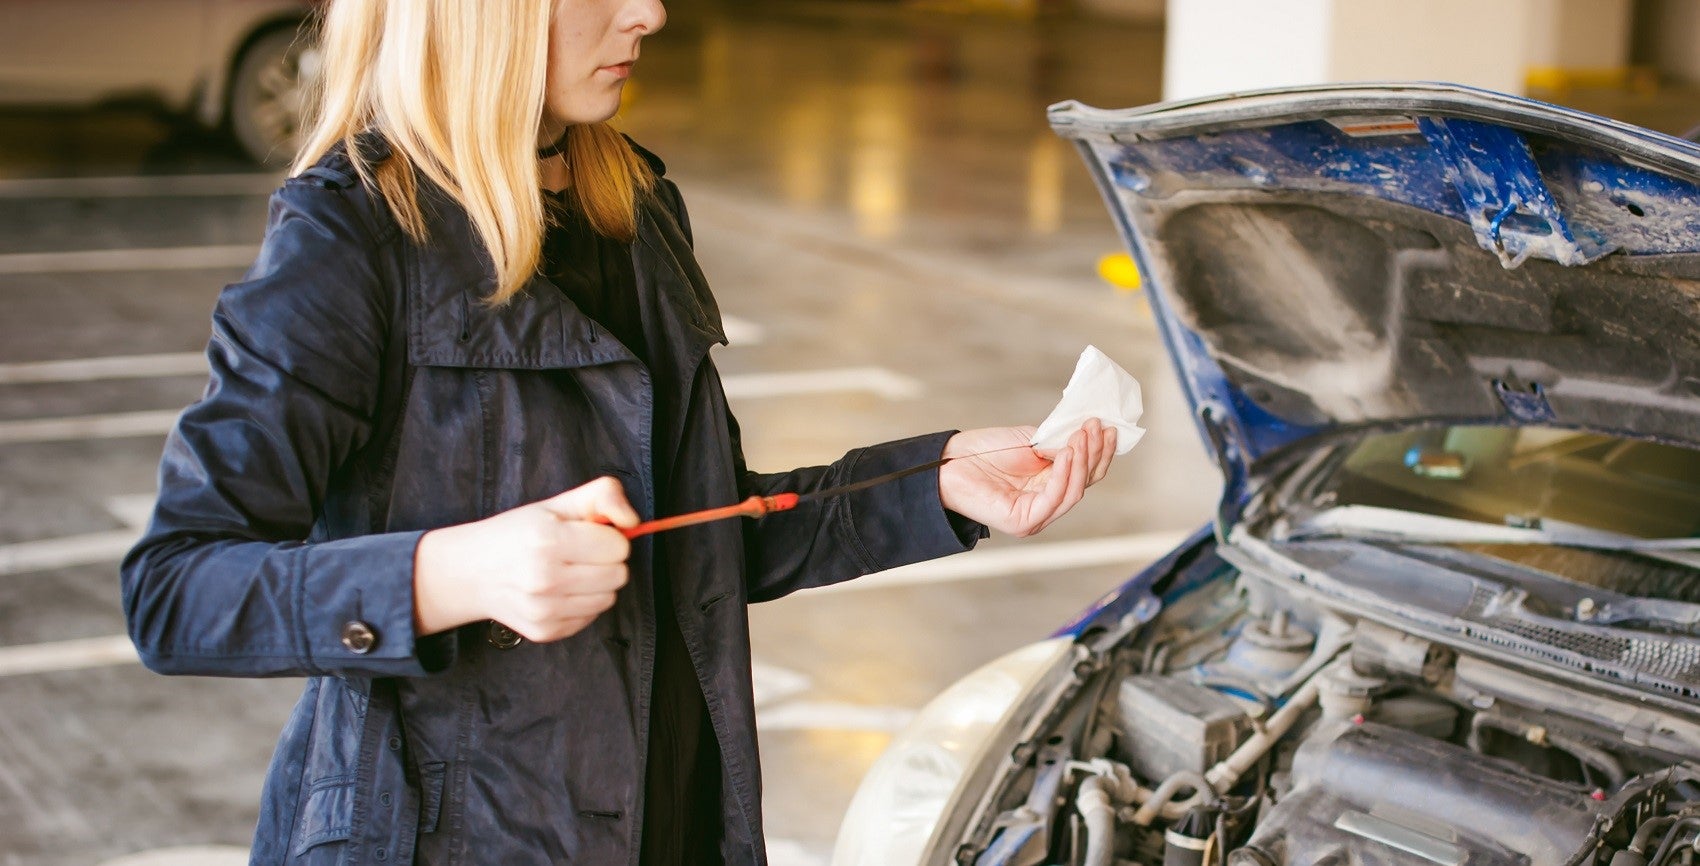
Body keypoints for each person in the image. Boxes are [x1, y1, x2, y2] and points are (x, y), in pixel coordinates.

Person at [119, 0, 1119, 863]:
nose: (649, 14)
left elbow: (701, 537)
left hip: (668, 814)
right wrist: (452, 573)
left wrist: (934, 481)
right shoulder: (351, 240)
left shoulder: (633, 206)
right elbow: (175, 590)